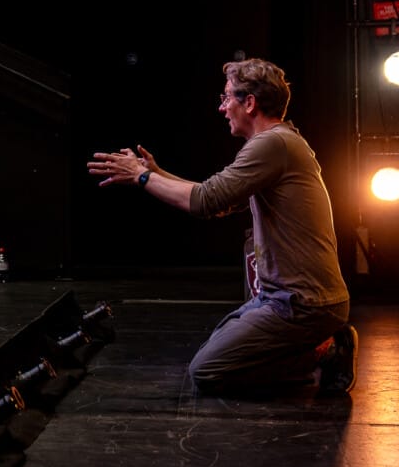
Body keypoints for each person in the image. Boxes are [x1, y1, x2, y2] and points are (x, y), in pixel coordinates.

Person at [86, 58, 356, 397]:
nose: (222, 107)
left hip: (303, 304)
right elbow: (216, 198)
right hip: (282, 298)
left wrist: (142, 177)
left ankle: (326, 350)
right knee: (219, 349)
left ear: (250, 103)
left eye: (227, 97)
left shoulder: (272, 144)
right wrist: (156, 173)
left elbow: (205, 201)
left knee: (208, 371)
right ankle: (319, 345)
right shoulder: (280, 142)